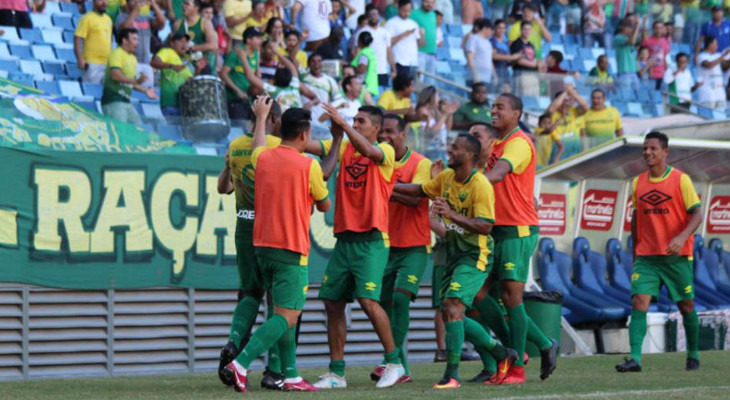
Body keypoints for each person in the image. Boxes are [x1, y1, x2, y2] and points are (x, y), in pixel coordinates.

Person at [224, 99, 340, 393]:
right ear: (304, 135)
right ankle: (240, 364)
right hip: (290, 248)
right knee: (287, 315)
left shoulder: (262, 157)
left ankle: (289, 374)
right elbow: (325, 206)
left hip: (261, 246)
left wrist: (260, 117)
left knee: (282, 310)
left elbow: (257, 146)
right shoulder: (308, 165)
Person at [393, 133, 517, 389]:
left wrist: (451, 214)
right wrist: (387, 186)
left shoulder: (480, 184)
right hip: (453, 253)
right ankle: (501, 353)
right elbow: (420, 190)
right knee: (452, 311)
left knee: (453, 307)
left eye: (455, 148)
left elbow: (485, 226)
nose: (449, 150)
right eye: (450, 146)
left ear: (470, 155)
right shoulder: (447, 178)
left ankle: (452, 374)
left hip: (475, 254)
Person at [309, 105, 405, 389]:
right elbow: (309, 145)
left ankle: (394, 362)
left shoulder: (386, 150)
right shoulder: (344, 145)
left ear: (376, 128)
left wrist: (345, 127)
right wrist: (335, 133)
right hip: (345, 240)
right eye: (354, 119)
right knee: (333, 303)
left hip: (372, 240)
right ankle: (337, 373)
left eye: (360, 121)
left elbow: (370, 152)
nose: (355, 123)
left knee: (367, 301)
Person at [479, 93, 559, 385]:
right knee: (478, 295)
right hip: (494, 229)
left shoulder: (519, 143)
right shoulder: (496, 144)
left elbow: (499, 174)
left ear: (517, 113)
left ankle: (517, 370)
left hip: (517, 228)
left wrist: (467, 185)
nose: (493, 110)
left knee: (511, 296)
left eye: (500, 107)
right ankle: (539, 345)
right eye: (493, 106)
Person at [615, 131, 702, 374]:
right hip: (646, 258)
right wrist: (634, 252)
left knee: (686, 305)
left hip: (677, 257)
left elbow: (697, 213)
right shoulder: (637, 182)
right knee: (638, 301)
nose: (647, 153)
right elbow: (635, 219)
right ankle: (635, 359)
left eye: (653, 148)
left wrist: (682, 236)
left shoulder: (681, 180)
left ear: (665, 152)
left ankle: (693, 355)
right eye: (644, 148)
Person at [367, 113, 432, 384]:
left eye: (391, 132)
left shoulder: (420, 162)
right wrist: (395, 189)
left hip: (414, 245)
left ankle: (393, 362)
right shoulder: (377, 160)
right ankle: (396, 362)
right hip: (385, 245)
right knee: (382, 305)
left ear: (404, 134)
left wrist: (384, 186)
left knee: (401, 299)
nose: (385, 137)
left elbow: (418, 195)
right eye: (382, 132)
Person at [101, 28, 156, 124]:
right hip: (113, 101)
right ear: (124, 41)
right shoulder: (117, 53)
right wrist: (135, 81)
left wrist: (145, 90)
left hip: (126, 102)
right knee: (120, 131)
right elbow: (115, 76)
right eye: (134, 39)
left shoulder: (133, 58)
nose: (137, 43)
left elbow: (131, 83)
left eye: (137, 40)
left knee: (138, 128)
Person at [117, 0, 166, 90]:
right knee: (130, 91)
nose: (136, 3)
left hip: (146, 63)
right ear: (127, 3)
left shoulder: (145, 18)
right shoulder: (122, 17)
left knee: (147, 93)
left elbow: (162, 22)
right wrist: (135, 12)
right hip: (130, 63)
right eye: (133, 1)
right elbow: (123, 29)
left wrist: (154, 4)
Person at [151, 33, 201, 118]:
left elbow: (191, 83)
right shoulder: (167, 51)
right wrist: (171, 66)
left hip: (184, 106)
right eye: (181, 41)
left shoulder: (185, 61)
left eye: (186, 42)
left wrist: (198, 69)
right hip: (170, 103)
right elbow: (153, 62)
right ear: (172, 43)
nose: (184, 44)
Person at [220, 26, 264, 121]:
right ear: (248, 40)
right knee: (240, 126)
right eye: (258, 38)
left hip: (250, 100)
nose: (261, 41)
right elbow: (223, 74)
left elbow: (256, 74)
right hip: (235, 99)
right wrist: (237, 90)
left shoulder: (256, 53)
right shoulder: (236, 53)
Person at [75, 0, 114, 84]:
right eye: (100, 0)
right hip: (92, 63)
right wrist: (80, 59)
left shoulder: (108, 19)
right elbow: (78, 39)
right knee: (92, 91)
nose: (104, 3)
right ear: (93, 2)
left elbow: (110, 40)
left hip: (107, 64)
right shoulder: (87, 18)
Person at [357, 4, 396, 89]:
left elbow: (389, 52)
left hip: (383, 70)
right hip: (368, 72)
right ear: (367, 17)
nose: (373, 17)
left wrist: (394, 69)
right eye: (371, 15)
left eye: (375, 14)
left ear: (379, 16)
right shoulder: (362, 32)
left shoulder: (385, 32)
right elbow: (358, 51)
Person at [546, 84, 589, 160]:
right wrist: (566, 92)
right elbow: (552, 108)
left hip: (573, 149)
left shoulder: (573, 111)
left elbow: (585, 107)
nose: (564, 103)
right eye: (562, 101)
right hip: (557, 150)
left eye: (566, 101)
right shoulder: (552, 113)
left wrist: (571, 92)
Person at [173, 0, 218, 70]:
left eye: (187, 4)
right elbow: (173, 44)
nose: (183, 6)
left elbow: (212, 45)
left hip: (200, 65)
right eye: (183, 3)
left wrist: (191, 48)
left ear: (196, 7)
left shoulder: (205, 23)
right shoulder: (178, 24)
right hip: (182, 64)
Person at [416, 86, 457, 160]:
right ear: (432, 97)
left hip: (439, 149)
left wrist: (450, 113)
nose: (439, 99)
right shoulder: (422, 111)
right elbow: (431, 133)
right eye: (437, 96)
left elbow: (447, 128)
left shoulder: (434, 111)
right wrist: (445, 115)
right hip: (428, 152)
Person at [385, 0, 422, 78]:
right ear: (399, 8)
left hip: (413, 62)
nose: (406, 13)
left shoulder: (413, 24)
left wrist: (422, 35)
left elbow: (421, 44)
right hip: (399, 62)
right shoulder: (391, 23)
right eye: (404, 10)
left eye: (408, 10)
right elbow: (387, 43)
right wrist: (403, 35)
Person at [697, 37, 730, 109]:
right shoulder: (701, 56)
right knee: (706, 118)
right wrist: (723, 55)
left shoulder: (718, 55)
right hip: (707, 95)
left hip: (720, 94)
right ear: (710, 44)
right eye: (716, 44)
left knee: (721, 118)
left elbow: (725, 67)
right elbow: (709, 65)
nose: (717, 46)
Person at [510, 21, 540, 97]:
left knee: (533, 100)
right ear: (521, 30)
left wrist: (537, 64)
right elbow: (519, 61)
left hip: (533, 75)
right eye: (525, 29)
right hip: (521, 75)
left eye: (529, 29)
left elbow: (535, 59)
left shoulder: (531, 45)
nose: (527, 31)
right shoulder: (516, 43)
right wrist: (535, 65)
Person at [410, 0, 437, 75]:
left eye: (432, 3)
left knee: (430, 82)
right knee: (418, 81)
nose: (430, 4)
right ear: (422, 1)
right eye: (427, 2)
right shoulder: (413, 13)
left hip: (432, 53)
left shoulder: (433, 14)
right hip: (419, 52)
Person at [465, 18, 495, 87]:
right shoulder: (474, 39)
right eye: (491, 30)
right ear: (485, 28)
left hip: (486, 78)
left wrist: (494, 75)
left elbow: (489, 60)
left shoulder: (488, 43)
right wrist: (475, 75)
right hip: (475, 78)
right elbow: (470, 58)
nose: (492, 32)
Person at [641, 21, 671, 90]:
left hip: (661, 73)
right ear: (653, 29)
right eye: (656, 28)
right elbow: (642, 55)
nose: (658, 30)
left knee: (658, 95)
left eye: (660, 28)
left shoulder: (665, 41)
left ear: (663, 29)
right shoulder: (647, 40)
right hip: (649, 73)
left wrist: (665, 69)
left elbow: (665, 56)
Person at [615, 18, 642, 90]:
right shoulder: (618, 37)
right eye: (629, 27)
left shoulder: (629, 37)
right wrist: (637, 26)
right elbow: (632, 42)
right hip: (624, 72)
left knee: (636, 95)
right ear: (622, 27)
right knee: (626, 95)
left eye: (631, 27)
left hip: (634, 72)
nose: (631, 29)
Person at [351, 31, 379, 98]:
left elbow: (362, 69)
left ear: (359, 41)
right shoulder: (371, 52)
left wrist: (351, 68)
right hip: (372, 86)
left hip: (364, 87)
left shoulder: (364, 54)